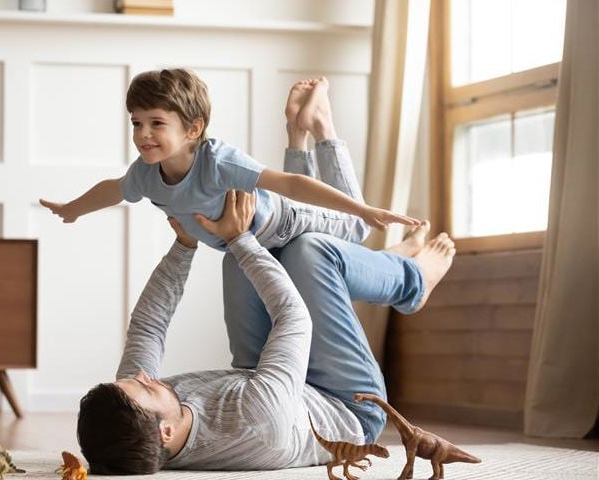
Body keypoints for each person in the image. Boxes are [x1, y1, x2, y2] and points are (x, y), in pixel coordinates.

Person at [76, 186, 455, 473]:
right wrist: (239, 238)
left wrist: (184, 244)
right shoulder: (256, 422)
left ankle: (380, 262)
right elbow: (294, 318)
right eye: (145, 386)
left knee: (240, 262)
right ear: (166, 434)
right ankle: (411, 281)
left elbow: (148, 327)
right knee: (308, 252)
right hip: (347, 404)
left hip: (263, 378)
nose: (145, 376)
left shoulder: (135, 413)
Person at [39, 69, 420, 252]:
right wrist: (73, 209)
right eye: (137, 123)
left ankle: (321, 127)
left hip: (284, 222)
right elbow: (114, 190)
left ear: (193, 129)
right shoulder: (146, 174)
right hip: (254, 242)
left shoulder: (217, 161)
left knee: (357, 230)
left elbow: (289, 185)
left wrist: (362, 208)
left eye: (157, 123)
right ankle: (300, 129)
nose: (143, 134)